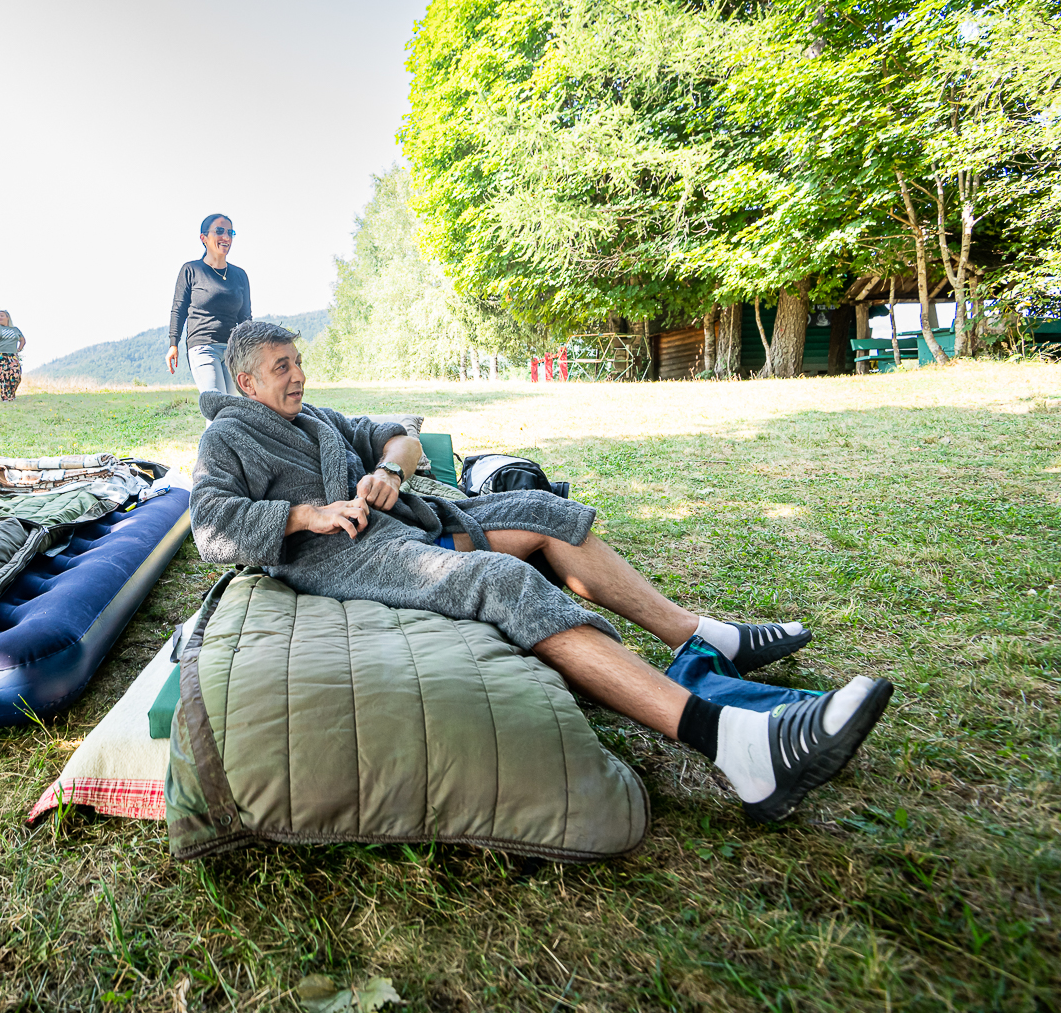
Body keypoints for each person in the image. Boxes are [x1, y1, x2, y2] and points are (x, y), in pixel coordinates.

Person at [190, 320, 894, 824]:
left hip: (406, 519)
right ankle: (737, 744)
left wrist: (382, 471)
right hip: (343, 555)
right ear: (246, 379)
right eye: (282, 367)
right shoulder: (226, 435)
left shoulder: (315, 416)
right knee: (503, 580)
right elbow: (210, 522)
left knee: (547, 511)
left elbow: (396, 436)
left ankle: (700, 635)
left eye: (298, 361)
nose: (298, 374)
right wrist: (305, 515)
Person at [167, 213, 251, 398]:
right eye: (219, 231)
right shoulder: (191, 270)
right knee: (217, 404)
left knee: (233, 408)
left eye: (230, 232)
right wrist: (174, 344)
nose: (226, 237)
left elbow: (245, 318)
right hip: (203, 347)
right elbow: (179, 309)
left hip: (233, 350)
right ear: (203, 238)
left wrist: (250, 350)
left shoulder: (240, 275)